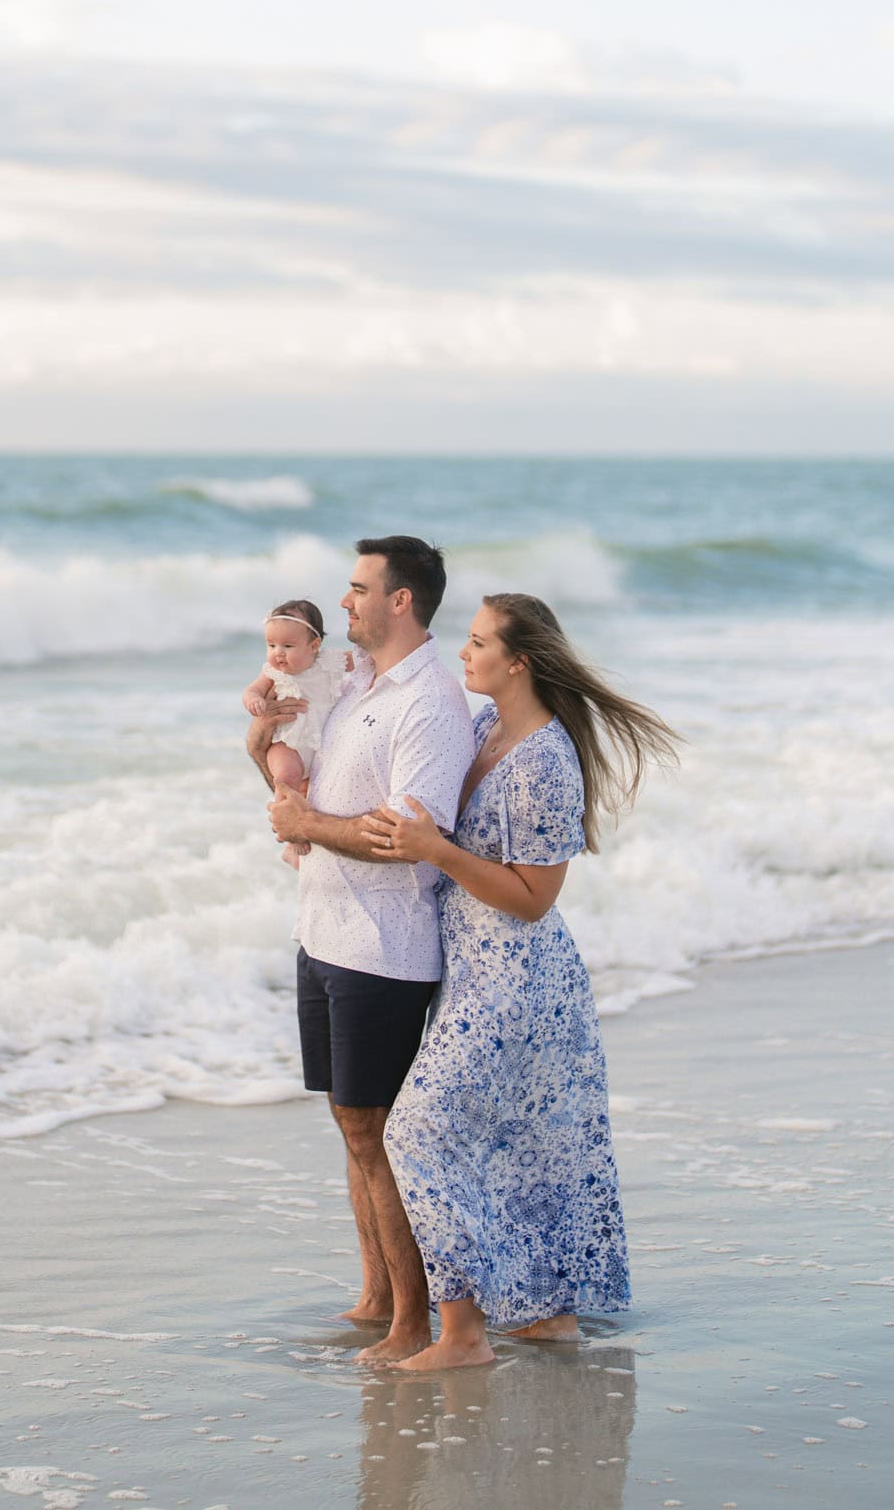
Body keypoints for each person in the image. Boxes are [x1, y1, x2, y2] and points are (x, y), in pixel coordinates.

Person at [363, 592, 680, 1370]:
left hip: (518, 980)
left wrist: (434, 850)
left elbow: (536, 900)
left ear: (519, 661)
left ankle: (464, 1335)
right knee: (520, 1148)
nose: (463, 655)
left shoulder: (545, 760)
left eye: (477, 644)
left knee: (415, 1129)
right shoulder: (485, 728)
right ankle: (543, 1318)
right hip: (474, 973)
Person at [251, 537, 476, 1364]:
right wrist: (265, 756)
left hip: (384, 947)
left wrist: (306, 824)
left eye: (356, 590)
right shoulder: (351, 686)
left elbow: (412, 836)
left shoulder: (431, 705)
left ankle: (416, 1323)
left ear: (401, 601)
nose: (341, 604)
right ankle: (378, 1294)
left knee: (375, 1128)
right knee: (351, 1125)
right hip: (323, 927)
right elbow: (302, 789)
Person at [241, 598, 352, 868]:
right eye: (271, 645)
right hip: (287, 741)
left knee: (313, 792)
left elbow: (365, 660)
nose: (277, 653)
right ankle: (291, 837)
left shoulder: (329, 662)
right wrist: (254, 701)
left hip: (318, 743)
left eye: (287, 646)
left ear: (314, 646)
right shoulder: (273, 672)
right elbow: (252, 690)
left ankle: (306, 838)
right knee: (286, 778)